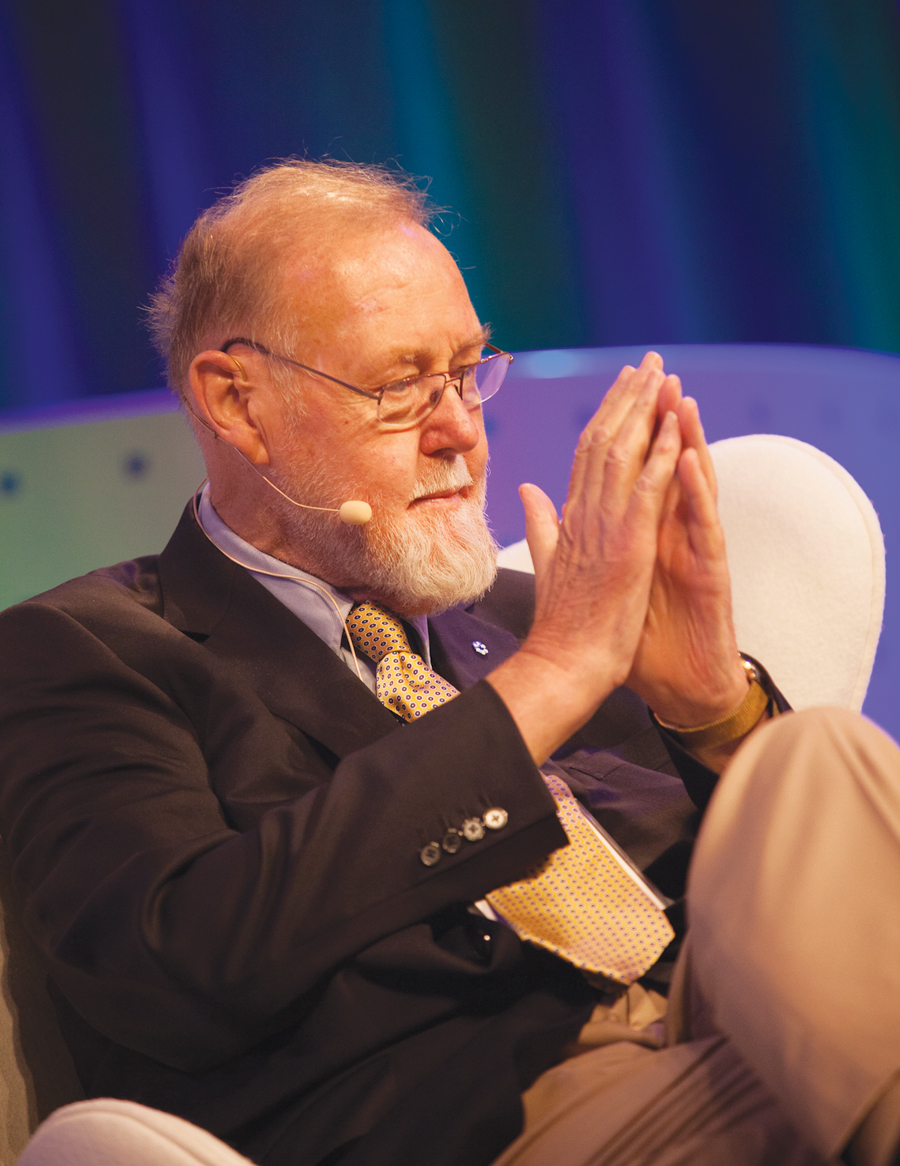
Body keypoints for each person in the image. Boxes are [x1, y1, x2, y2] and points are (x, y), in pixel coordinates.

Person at [0, 160, 898, 1166]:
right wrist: (548, 681)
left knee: (813, 754)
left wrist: (711, 712)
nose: (462, 430)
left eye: (468, 372)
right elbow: (172, 967)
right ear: (239, 404)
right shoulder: (87, 650)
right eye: (399, 387)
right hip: (499, 1116)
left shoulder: (535, 618)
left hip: (746, 1027)